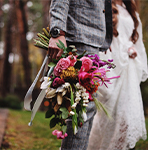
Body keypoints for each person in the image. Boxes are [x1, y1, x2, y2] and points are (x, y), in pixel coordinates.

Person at [48, 0, 113, 149]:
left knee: (87, 109)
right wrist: (58, 31)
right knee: (82, 110)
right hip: (78, 32)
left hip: (92, 38)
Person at [87, 0, 148, 150]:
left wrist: (133, 51)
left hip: (129, 70)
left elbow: (137, 42)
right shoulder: (104, 6)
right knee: (109, 117)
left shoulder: (131, 11)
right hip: (111, 66)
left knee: (127, 114)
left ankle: (123, 146)